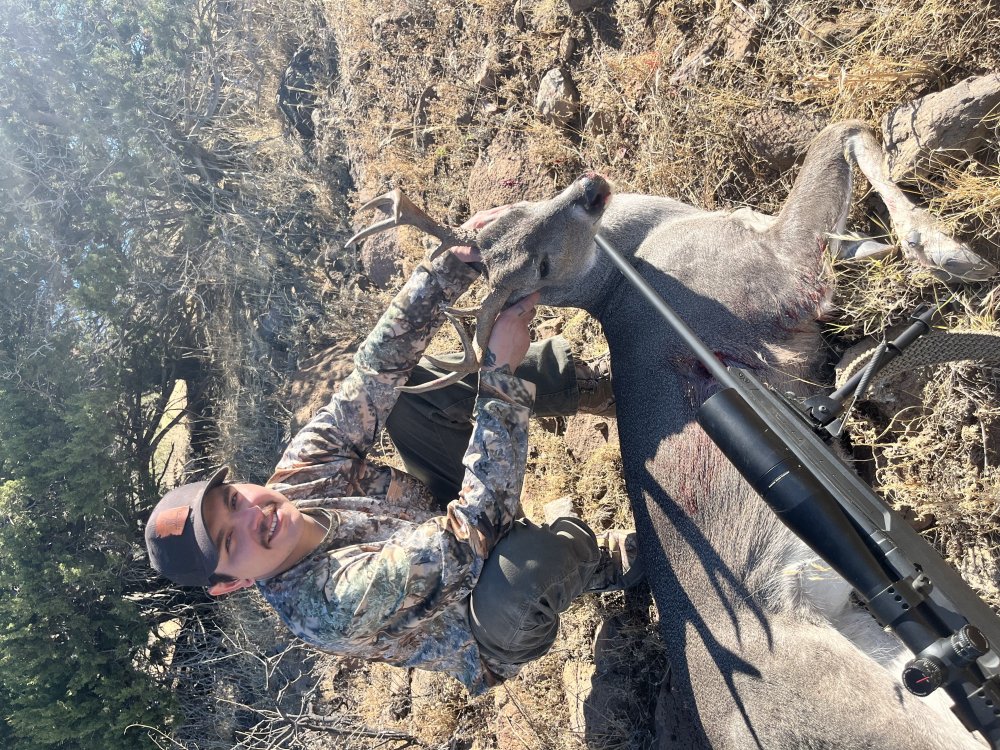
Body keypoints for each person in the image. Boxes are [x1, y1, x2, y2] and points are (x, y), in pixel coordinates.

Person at [145, 232, 642, 695]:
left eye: (234, 501)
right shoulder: (326, 604)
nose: (255, 516)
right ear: (232, 584)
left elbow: (374, 375)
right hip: (484, 615)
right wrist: (500, 375)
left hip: (445, 518)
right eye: (230, 541)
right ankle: (595, 560)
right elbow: (471, 536)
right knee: (524, 569)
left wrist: (447, 269)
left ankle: (598, 386)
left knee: (409, 390)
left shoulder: (298, 475)